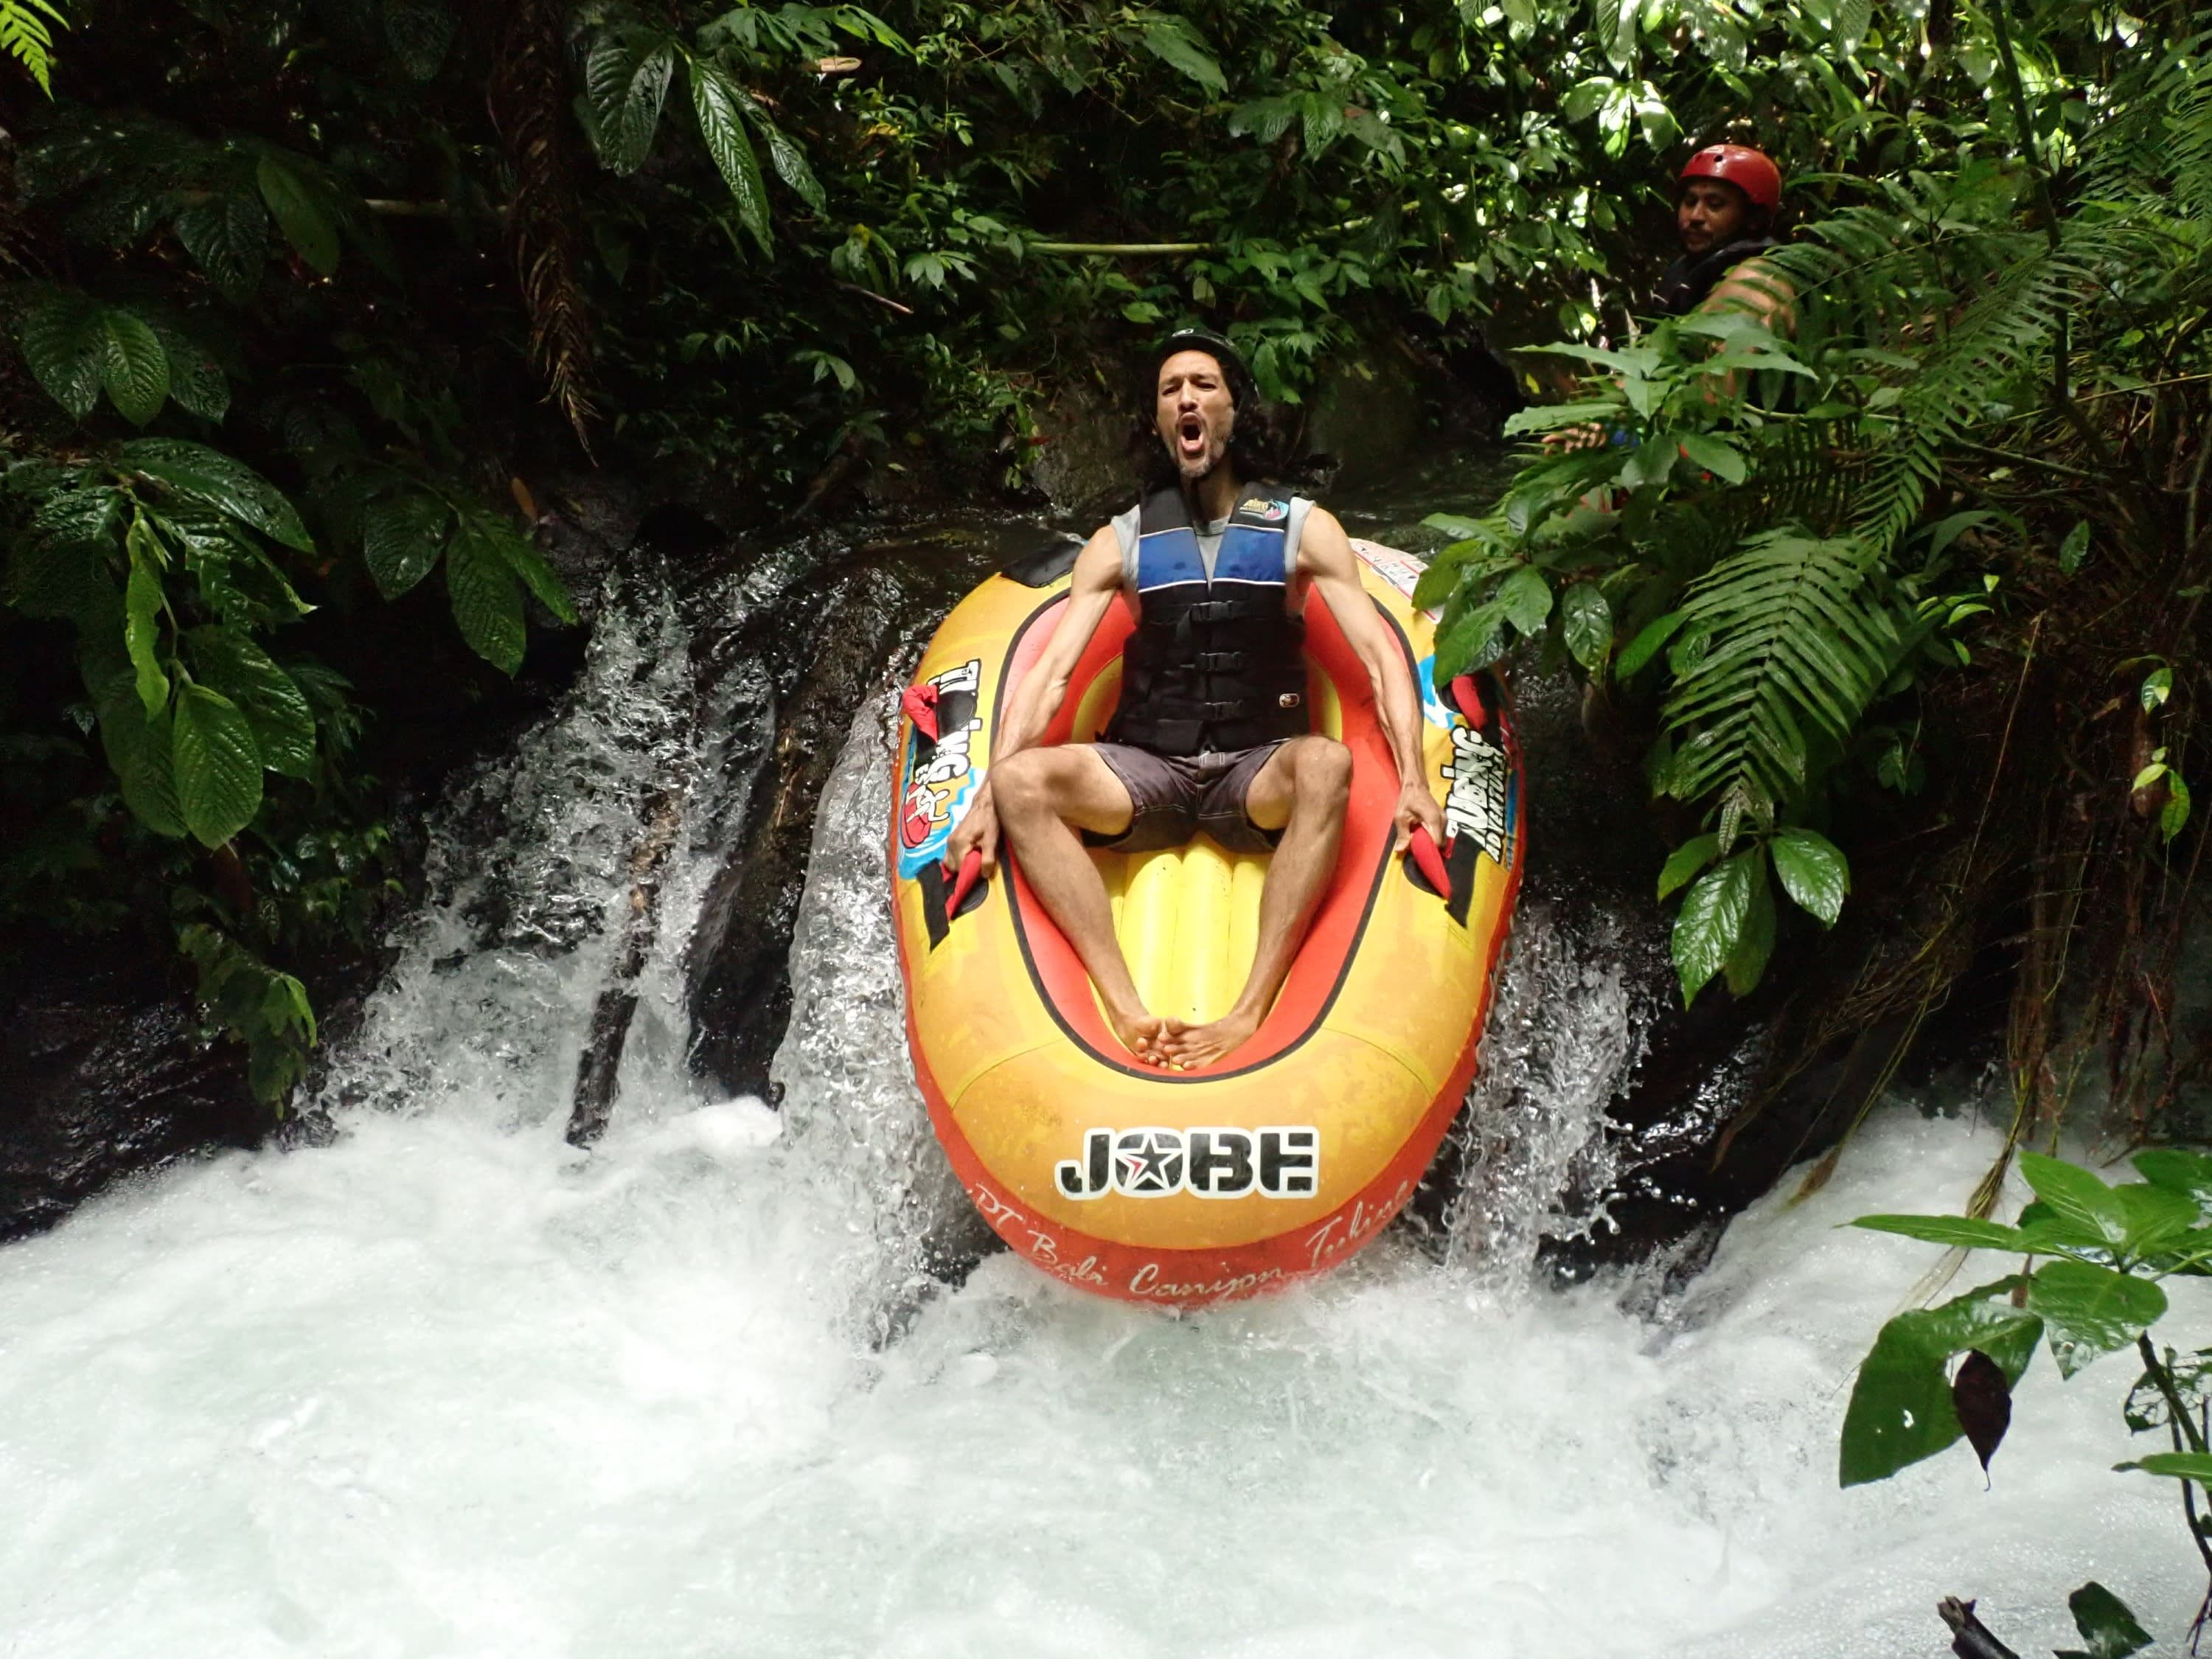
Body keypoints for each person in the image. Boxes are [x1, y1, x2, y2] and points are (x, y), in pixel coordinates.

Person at [943, 329, 1446, 1069]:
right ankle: (1124, 1008)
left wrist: (1415, 782)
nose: (1187, 398)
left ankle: (1249, 1010)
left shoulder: (1303, 529)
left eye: (1204, 385)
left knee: (1327, 763)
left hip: (1257, 771)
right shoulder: (1120, 542)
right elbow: (1051, 676)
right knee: (1020, 782)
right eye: (1171, 389)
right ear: (1158, 420)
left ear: (1234, 411)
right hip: (1149, 772)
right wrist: (985, 799)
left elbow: (1378, 655)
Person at [1548, 142, 1796, 452]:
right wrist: (1597, 417)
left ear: (1753, 219)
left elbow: (1715, 396)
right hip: (1687, 429)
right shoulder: (1689, 273)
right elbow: (1650, 362)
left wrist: (1615, 429)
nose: (1696, 216)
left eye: (1715, 205)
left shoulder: (1760, 282)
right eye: (1690, 202)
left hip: (1741, 444)